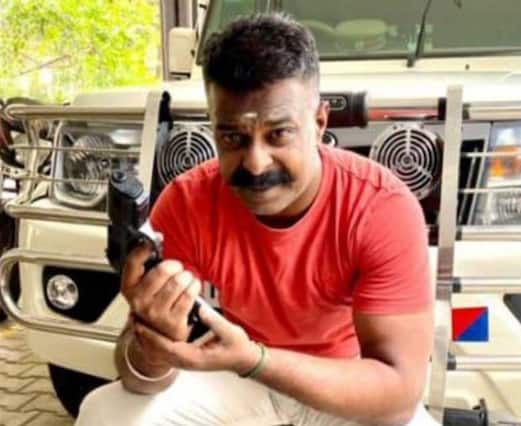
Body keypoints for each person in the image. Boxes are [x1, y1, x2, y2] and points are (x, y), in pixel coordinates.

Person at [75, 13, 438, 426]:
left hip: (343, 379)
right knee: (106, 413)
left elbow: (398, 397)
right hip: (238, 375)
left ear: (319, 123)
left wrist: (254, 359)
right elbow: (139, 379)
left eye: (278, 134)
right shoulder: (187, 201)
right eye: (233, 138)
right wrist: (153, 343)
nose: (256, 163)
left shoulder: (381, 207)